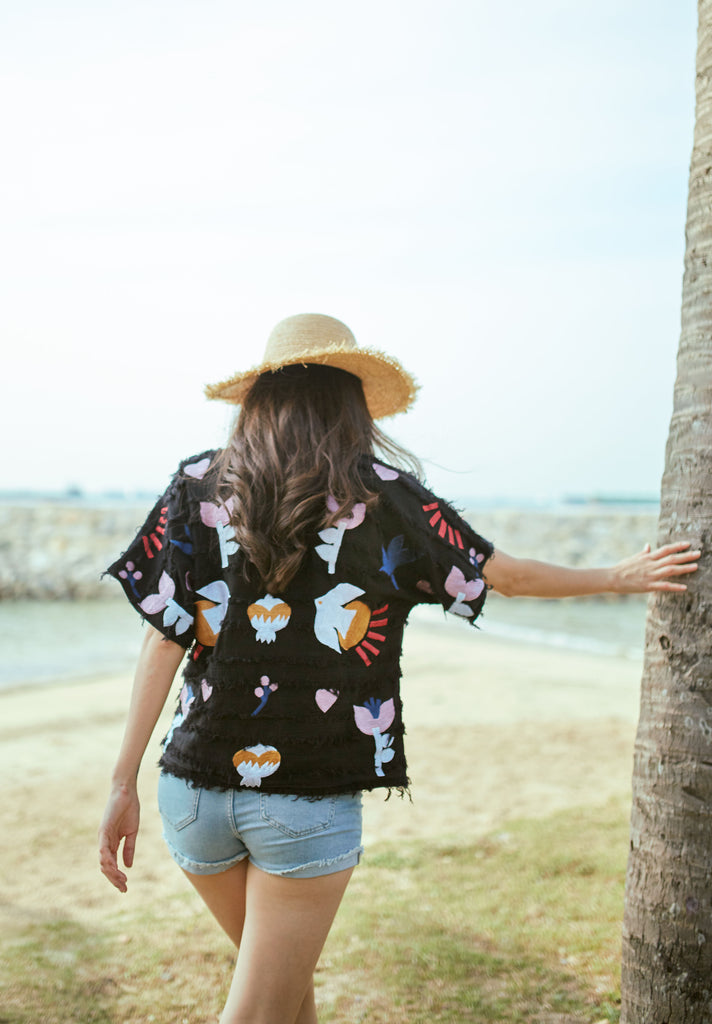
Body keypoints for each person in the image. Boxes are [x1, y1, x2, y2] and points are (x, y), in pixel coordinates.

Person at [98, 313, 699, 1024]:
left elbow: (161, 638)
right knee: (262, 1009)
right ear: (351, 403)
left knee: (287, 996)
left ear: (259, 398)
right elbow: (500, 575)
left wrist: (121, 782)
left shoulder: (198, 482)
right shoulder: (383, 493)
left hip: (190, 795)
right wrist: (613, 576)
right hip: (307, 794)